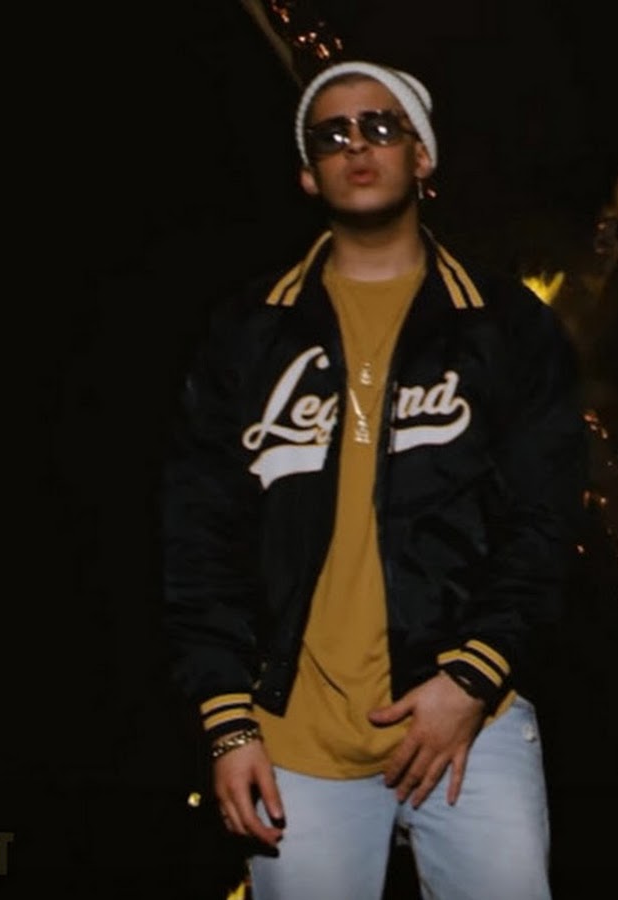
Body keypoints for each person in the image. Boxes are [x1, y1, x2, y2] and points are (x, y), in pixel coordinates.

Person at [162, 58, 587, 900]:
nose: (357, 146)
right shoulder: (248, 331)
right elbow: (197, 532)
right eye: (332, 135)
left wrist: (470, 680)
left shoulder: (504, 325)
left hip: (471, 726)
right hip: (293, 742)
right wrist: (227, 720)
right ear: (307, 172)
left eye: (382, 127)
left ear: (422, 157)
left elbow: (545, 521)